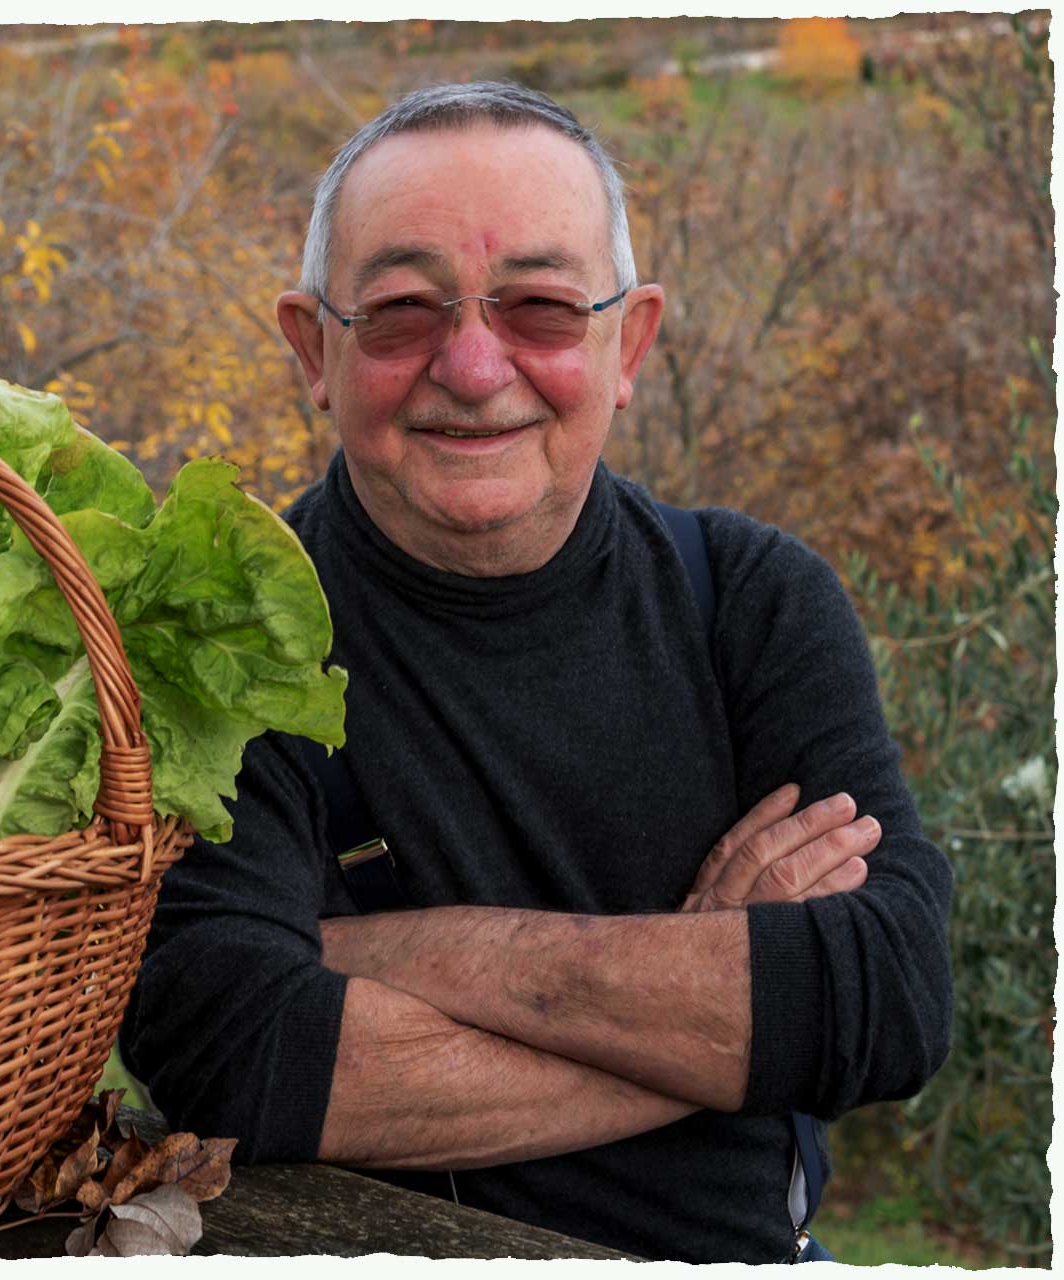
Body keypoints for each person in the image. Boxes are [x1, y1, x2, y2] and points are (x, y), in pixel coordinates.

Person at [117, 81, 954, 1265]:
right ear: (313, 347)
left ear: (630, 342)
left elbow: (888, 996)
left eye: (542, 309)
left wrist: (392, 952)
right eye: (404, 310)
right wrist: (720, 994)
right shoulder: (225, 640)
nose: (471, 363)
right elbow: (233, 1054)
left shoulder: (754, 600)